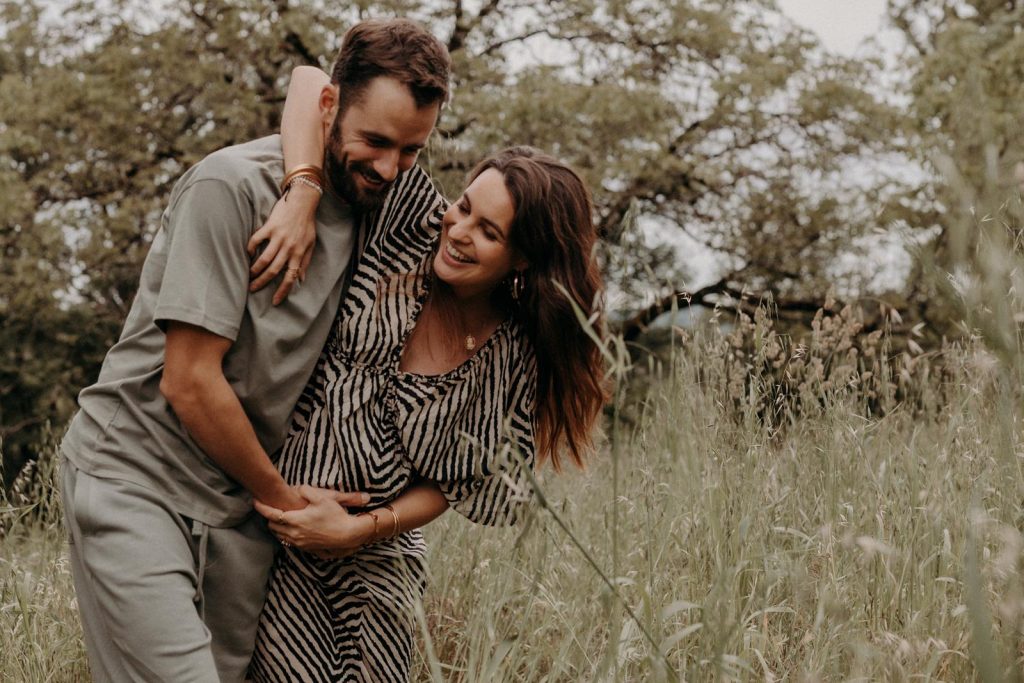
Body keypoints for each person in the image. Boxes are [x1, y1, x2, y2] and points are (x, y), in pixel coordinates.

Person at [58, 19, 451, 682]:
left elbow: (308, 84)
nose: (390, 167)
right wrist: (288, 502)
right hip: (139, 478)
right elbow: (187, 381)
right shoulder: (231, 187)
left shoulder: (383, 209)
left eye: (411, 150)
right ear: (331, 109)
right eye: (376, 141)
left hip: (240, 510)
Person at [243, 67, 608, 682]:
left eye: (488, 232)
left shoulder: (512, 358)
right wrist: (302, 190)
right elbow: (311, 83)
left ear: (523, 258)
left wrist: (362, 529)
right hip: (274, 539)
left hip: (377, 572)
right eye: (465, 207)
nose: (458, 232)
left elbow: (460, 484)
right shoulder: (409, 227)